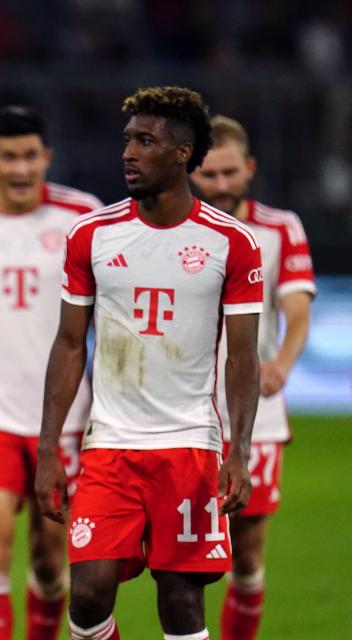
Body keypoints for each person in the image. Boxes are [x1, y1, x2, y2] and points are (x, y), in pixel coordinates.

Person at [35, 86, 263, 640]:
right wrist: (48, 448)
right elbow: (69, 344)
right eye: (127, 140)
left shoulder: (232, 243)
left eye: (145, 141)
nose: (129, 153)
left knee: (181, 604)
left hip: (189, 444)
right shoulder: (92, 234)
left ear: (182, 153)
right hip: (109, 445)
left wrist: (238, 450)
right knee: (87, 598)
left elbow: (242, 358)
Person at [0, 107, 102, 640]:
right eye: (9, 158)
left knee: (49, 555)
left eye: (30, 156)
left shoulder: (81, 215)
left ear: (47, 157)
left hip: (65, 416)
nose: (20, 169)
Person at [189, 115, 315, 640]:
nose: (221, 185)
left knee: (246, 550)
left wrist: (281, 362)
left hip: (254, 414)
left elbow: (297, 307)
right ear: (191, 172)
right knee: (186, 553)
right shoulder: (178, 227)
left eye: (230, 173)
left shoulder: (279, 228)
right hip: (186, 412)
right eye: (210, 174)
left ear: (250, 168)